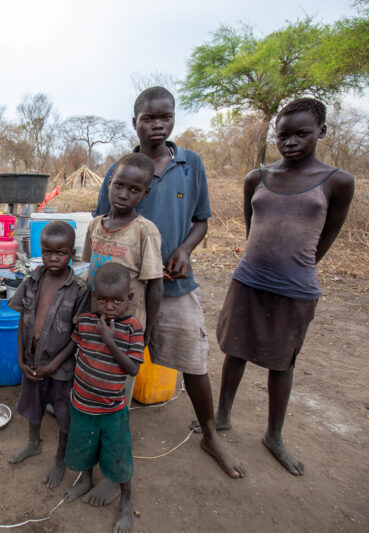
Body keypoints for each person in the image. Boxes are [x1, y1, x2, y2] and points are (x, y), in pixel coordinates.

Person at [93, 87, 245, 478]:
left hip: (174, 284)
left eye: (165, 117)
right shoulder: (120, 169)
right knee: (116, 361)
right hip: (125, 293)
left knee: (193, 361)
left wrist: (185, 251)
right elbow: (101, 225)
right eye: (148, 118)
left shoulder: (190, 164)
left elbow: (201, 219)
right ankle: (112, 440)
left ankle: (210, 434)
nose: (157, 125)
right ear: (135, 122)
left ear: (174, 119)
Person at [214, 98, 355, 476]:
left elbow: (327, 236)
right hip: (248, 280)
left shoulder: (337, 181)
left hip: (295, 289)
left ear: (321, 132)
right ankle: (222, 416)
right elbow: (251, 229)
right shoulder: (257, 178)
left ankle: (274, 436)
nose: (290, 142)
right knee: (235, 350)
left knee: (283, 363)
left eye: (301, 134)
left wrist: (297, 267)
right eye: (283, 135)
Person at [7, 221, 90, 489]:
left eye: (61, 253)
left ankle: (60, 456)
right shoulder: (32, 280)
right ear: (40, 251)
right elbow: (22, 319)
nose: (54, 258)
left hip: (62, 367)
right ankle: (33, 443)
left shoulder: (79, 289)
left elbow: (78, 334)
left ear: (72, 253)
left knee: (64, 412)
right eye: (47, 252)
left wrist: (54, 363)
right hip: (32, 360)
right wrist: (20, 358)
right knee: (33, 404)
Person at [63, 262, 144, 533]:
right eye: (103, 299)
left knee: (119, 456)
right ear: (94, 296)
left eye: (117, 300)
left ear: (129, 298)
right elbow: (74, 350)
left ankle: (125, 502)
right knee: (84, 446)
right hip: (82, 404)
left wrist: (109, 340)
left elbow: (132, 368)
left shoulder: (132, 328)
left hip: (113, 409)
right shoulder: (85, 321)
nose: (109, 306)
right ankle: (85, 479)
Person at [82, 152, 164, 406]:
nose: (123, 194)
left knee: (119, 383)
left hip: (127, 325)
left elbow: (156, 285)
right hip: (94, 318)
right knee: (93, 372)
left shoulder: (145, 231)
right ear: (109, 183)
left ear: (145, 194)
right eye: (119, 185)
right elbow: (88, 273)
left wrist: (147, 329)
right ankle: (89, 415)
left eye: (133, 189)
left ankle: (116, 426)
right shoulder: (96, 225)